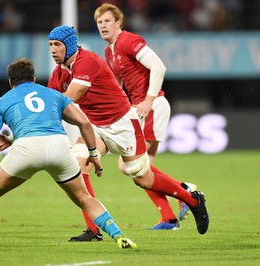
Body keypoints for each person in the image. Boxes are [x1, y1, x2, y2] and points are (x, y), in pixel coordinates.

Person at [0, 57, 137, 250]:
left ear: (10, 82)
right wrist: (94, 154)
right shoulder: (53, 94)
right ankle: (120, 236)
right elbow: (83, 122)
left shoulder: (2, 101)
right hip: (59, 146)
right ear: (33, 78)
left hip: (26, 151)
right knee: (84, 198)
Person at [47, 25, 209, 241]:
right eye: (50, 45)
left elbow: (69, 98)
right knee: (78, 167)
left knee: (143, 178)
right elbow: (48, 107)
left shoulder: (87, 61)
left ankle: (192, 199)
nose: (53, 50)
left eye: (57, 45)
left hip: (122, 123)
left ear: (69, 44)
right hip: (95, 127)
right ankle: (93, 230)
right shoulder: (58, 73)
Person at [94, 3, 196, 230]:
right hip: (138, 110)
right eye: (99, 22)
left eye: (107, 21)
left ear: (118, 22)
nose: (103, 26)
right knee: (141, 169)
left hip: (152, 106)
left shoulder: (129, 40)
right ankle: (169, 218)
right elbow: (117, 86)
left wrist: (148, 100)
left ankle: (184, 192)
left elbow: (159, 67)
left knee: (130, 165)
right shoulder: (109, 51)